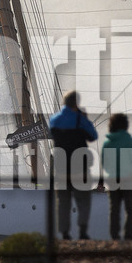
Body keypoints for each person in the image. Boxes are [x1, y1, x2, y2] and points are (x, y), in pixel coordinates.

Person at [48, 90, 98, 240]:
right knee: (83, 200)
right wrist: (84, 118)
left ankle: (64, 233)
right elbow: (93, 136)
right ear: (76, 103)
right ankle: (82, 231)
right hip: (79, 168)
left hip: (61, 168)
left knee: (63, 202)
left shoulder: (54, 119)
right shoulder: (79, 119)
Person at [101, 112, 132, 241]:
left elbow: (104, 162)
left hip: (112, 180)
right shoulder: (130, 141)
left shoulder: (107, 142)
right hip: (128, 180)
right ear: (125, 125)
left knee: (114, 210)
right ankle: (128, 235)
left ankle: (114, 237)